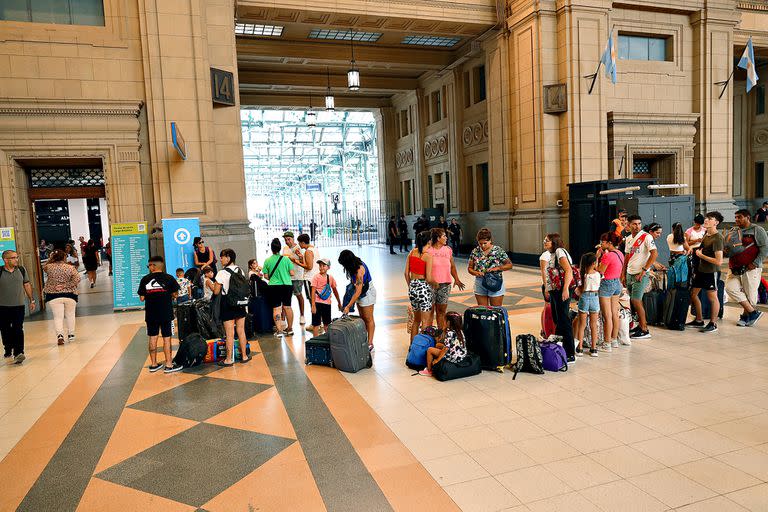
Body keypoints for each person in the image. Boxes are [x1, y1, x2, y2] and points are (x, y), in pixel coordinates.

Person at [137, 255, 182, 373]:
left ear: (153, 266)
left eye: (149, 265)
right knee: (167, 338)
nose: (148, 267)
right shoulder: (169, 278)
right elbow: (176, 295)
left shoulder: (145, 279)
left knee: (153, 337)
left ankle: (153, 364)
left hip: (151, 314)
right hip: (166, 313)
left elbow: (142, 298)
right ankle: (169, 365)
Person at [724, 209, 767, 327]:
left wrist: (755, 263)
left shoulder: (757, 230)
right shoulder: (734, 230)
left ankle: (746, 316)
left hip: (751, 268)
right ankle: (753, 313)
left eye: (740, 217)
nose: (737, 219)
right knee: (730, 288)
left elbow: (764, 249)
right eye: (736, 217)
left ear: (748, 217)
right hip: (734, 267)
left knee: (750, 294)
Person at [687, 212, 724, 333]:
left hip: (710, 271)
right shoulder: (706, 234)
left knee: (712, 297)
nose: (706, 220)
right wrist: (690, 250)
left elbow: (719, 261)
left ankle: (713, 323)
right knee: (693, 294)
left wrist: (701, 256)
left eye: (710, 219)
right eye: (706, 218)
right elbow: (700, 250)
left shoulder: (717, 238)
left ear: (716, 222)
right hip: (701, 270)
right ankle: (699, 320)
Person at [622, 215, 657, 340]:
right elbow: (627, 256)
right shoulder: (628, 239)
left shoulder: (646, 237)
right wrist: (623, 272)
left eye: (639, 224)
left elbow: (654, 254)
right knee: (633, 300)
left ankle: (645, 329)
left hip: (640, 274)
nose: (637, 226)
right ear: (629, 225)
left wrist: (644, 270)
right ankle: (640, 325)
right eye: (634, 224)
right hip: (630, 273)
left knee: (637, 300)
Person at [213, 248, 250, 366]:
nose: (221, 259)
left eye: (222, 257)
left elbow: (216, 291)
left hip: (227, 304)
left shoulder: (221, 273)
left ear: (228, 258)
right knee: (241, 331)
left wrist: (211, 285)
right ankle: (244, 356)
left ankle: (229, 359)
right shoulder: (240, 270)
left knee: (229, 333)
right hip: (240, 304)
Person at [544, 234, 576, 362]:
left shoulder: (559, 251)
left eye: (547, 241)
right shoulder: (552, 254)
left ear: (554, 242)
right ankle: (560, 348)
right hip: (555, 291)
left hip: (562, 289)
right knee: (558, 319)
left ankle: (570, 353)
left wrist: (565, 289)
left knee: (564, 320)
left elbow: (568, 271)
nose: (544, 242)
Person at [0, 250, 36, 364]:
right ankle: (8, 348)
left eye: (17, 257)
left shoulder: (21, 269)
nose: (16, 259)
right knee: (5, 330)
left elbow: (26, 284)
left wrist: (31, 299)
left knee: (18, 329)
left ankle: (19, 353)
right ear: (5, 260)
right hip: (2, 307)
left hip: (19, 306)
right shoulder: (0, 271)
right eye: (13, 258)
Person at [426, 228, 465, 330]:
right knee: (429, 312)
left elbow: (452, 266)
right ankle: (428, 335)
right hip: (430, 284)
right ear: (438, 238)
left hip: (445, 284)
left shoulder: (448, 249)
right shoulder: (428, 250)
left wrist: (456, 279)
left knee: (441, 312)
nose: (446, 238)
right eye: (444, 236)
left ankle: (441, 335)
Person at [338, 249, 376, 350]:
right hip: (361, 292)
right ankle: (364, 340)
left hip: (367, 293)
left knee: (369, 319)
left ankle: (370, 343)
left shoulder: (359, 270)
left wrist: (348, 306)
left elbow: (358, 292)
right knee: (363, 318)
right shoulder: (353, 266)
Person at [43, 249, 81, 345]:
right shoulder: (70, 268)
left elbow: (45, 266)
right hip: (70, 294)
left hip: (53, 295)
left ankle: (60, 335)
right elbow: (77, 279)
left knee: (58, 317)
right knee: (70, 315)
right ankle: (71, 335)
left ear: (53, 257)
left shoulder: (48, 267)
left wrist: (51, 258)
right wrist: (65, 285)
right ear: (64, 257)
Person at [596, 232, 626, 351]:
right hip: (617, 283)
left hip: (606, 284)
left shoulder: (607, 256)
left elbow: (600, 271)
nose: (601, 244)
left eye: (603, 242)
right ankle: (614, 340)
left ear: (609, 243)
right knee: (614, 313)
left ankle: (606, 343)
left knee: (607, 315)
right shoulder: (620, 253)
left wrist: (597, 257)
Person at [468, 228, 513, 306]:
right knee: (483, 311)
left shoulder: (498, 250)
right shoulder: (475, 251)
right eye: (480, 243)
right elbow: (470, 268)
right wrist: (476, 273)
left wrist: (498, 268)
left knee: (495, 311)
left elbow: (509, 265)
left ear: (490, 240)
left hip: (495, 281)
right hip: (480, 282)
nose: (482, 246)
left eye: (485, 243)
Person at [406, 231, 435, 341]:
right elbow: (428, 278)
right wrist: (436, 284)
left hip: (413, 286)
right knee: (426, 321)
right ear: (429, 241)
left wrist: (412, 286)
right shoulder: (428, 256)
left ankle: (412, 347)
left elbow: (406, 273)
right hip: (423, 288)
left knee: (416, 320)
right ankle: (422, 347)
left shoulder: (412, 252)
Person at [263, 238, 295, 337]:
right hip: (286, 285)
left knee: (276, 309)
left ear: (271, 248)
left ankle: (279, 331)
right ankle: (289, 329)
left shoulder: (267, 260)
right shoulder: (286, 259)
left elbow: (266, 276)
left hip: (273, 287)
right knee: (287, 307)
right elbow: (292, 273)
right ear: (280, 248)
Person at [419, 312, 467, 377]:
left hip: (452, 356)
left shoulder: (450, 333)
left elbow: (445, 349)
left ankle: (429, 370)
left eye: (444, 320)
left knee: (430, 350)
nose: (443, 322)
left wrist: (437, 360)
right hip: (461, 354)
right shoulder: (460, 331)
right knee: (438, 345)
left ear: (448, 322)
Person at [575, 252, 601, 358]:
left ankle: (580, 348)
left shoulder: (583, 275)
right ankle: (594, 349)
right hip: (594, 298)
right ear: (594, 263)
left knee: (582, 325)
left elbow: (578, 291)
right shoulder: (597, 274)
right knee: (593, 325)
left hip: (584, 297)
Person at [310, 258, 341, 337]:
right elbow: (313, 291)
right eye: (320, 266)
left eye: (324, 265)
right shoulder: (316, 277)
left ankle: (327, 339)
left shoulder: (330, 278)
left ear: (328, 267)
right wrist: (313, 305)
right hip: (317, 303)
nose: (321, 267)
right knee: (316, 324)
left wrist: (339, 302)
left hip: (327, 303)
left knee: (327, 323)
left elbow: (335, 290)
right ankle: (315, 340)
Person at [282, 231, 307, 325]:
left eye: (289, 239)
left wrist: (295, 258)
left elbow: (303, 261)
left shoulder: (299, 248)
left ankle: (302, 315)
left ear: (293, 239)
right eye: (285, 240)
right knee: (285, 298)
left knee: (298, 295)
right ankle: (283, 317)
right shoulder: (285, 248)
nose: (287, 241)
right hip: (286, 277)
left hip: (297, 276)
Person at [296, 234, 320, 331]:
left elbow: (309, 267)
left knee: (312, 301)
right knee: (317, 301)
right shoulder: (314, 249)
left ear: (302, 242)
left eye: (299, 243)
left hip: (310, 279)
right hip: (316, 278)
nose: (299, 245)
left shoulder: (308, 252)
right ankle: (319, 321)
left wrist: (296, 261)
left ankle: (315, 323)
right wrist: (301, 257)